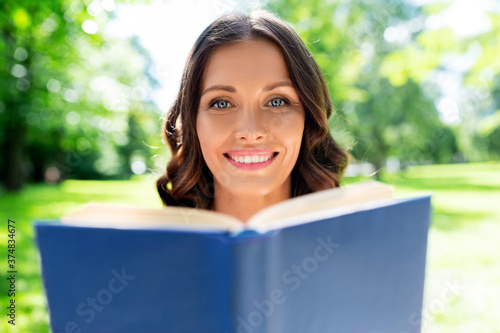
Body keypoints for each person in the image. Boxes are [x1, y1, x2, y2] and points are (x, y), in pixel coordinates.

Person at [156, 10, 348, 222]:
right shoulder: (153, 251)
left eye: (277, 101)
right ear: (193, 122)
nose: (251, 132)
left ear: (308, 119)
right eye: (222, 103)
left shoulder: (356, 244)